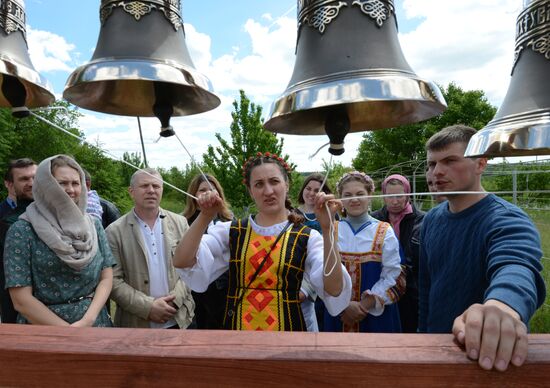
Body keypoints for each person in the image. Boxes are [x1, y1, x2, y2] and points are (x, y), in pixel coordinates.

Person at [174, 152, 351, 331]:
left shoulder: (307, 237)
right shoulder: (231, 231)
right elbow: (182, 261)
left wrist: (328, 229)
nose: (268, 191)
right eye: (259, 184)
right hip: (239, 336)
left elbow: (334, 288)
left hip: (288, 339)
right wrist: (205, 216)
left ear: (287, 185)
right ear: (251, 191)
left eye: (274, 181)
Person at [419, 124, 546, 371]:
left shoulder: (507, 220)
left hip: (486, 360)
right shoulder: (431, 220)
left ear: (480, 164)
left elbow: (516, 267)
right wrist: (422, 335)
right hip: (434, 352)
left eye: (450, 160)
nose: (437, 172)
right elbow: (427, 290)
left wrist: (501, 308)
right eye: (432, 164)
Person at [4, 155, 114, 326]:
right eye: (62, 183)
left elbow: (106, 276)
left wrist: (88, 319)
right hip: (44, 332)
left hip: (95, 325)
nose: (70, 189)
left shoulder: (93, 225)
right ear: (45, 186)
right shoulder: (22, 230)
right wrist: (69, 331)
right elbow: (21, 299)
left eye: (75, 183)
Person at [106, 168, 194, 329]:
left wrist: (175, 300)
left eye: (156, 186)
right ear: (131, 191)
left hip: (179, 319)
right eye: (144, 186)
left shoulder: (180, 223)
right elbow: (113, 281)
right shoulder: (114, 232)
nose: (151, 190)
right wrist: (148, 307)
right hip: (136, 325)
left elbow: (191, 267)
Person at [325, 171, 403, 333]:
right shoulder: (331, 230)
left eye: (360, 193)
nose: (354, 199)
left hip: (375, 317)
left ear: (370, 196)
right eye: (348, 195)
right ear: (340, 199)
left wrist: (364, 306)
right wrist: (343, 305)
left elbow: (395, 276)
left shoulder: (384, 231)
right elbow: (321, 273)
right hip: (337, 314)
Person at [371, 174, 424, 333]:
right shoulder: (374, 219)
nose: (394, 201)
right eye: (389, 196)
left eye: (399, 196)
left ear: (408, 194)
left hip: (412, 292)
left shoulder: (422, 220)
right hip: (381, 287)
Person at [183, 173, 232, 330]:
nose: (208, 193)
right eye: (202, 190)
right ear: (193, 195)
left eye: (212, 189)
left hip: (225, 293)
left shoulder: (230, 222)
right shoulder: (184, 223)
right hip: (195, 294)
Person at [296, 173, 337, 331]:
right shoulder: (291, 214)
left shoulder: (331, 215)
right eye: (308, 188)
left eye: (317, 190)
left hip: (324, 276)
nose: (312, 193)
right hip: (301, 281)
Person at [0, 158, 37, 323]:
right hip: (13, 302)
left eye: (35, 177)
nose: (31, 183)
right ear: (10, 184)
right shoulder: (5, 221)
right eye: (24, 179)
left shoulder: (56, 215)